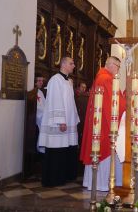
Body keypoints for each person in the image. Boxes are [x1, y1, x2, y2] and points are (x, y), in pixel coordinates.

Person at [80, 56, 126, 191]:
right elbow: (116, 103)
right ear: (111, 64)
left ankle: (93, 182)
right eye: (118, 67)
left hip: (99, 122)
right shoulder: (106, 79)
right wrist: (129, 104)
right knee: (105, 149)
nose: (118, 71)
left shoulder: (100, 77)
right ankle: (102, 184)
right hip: (105, 124)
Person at [38, 57, 80, 187]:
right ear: (63, 65)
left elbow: (70, 102)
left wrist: (74, 118)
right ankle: (53, 179)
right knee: (57, 149)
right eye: (71, 63)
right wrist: (61, 121)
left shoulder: (68, 81)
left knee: (65, 149)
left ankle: (64, 176)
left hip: (68, 121)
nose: (73, 66)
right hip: (59, 123)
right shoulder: (55, 80)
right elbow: (56, 100)